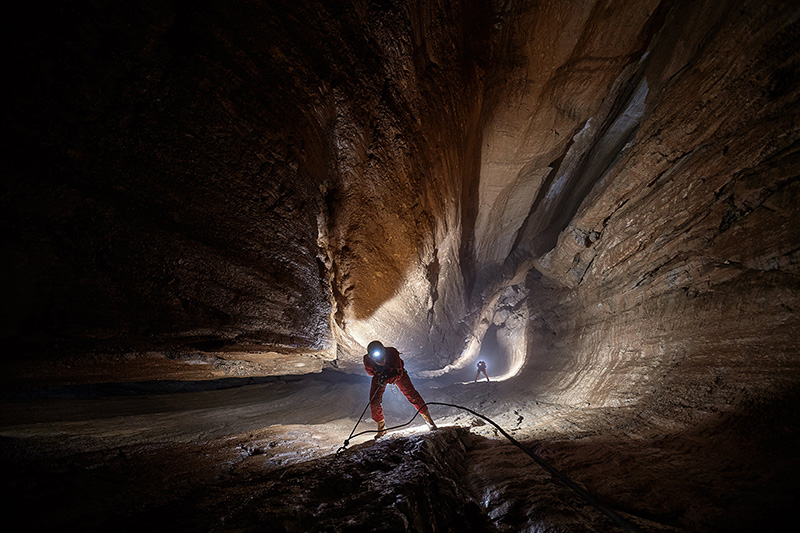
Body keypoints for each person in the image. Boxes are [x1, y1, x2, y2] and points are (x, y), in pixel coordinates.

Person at [363, 340, 437, 438]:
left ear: (384, 352)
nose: (379, 360)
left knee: (412, 395)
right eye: (376, 359)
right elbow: (371, 373)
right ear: (371, 357)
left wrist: (387, 377)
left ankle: (429, 421)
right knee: (374, 402)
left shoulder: (392, 353)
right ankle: (381, 428)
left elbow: (399, 373)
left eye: (381, 358)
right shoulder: (368, 361)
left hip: (397, 373)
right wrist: (381, 376)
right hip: (380, 375)